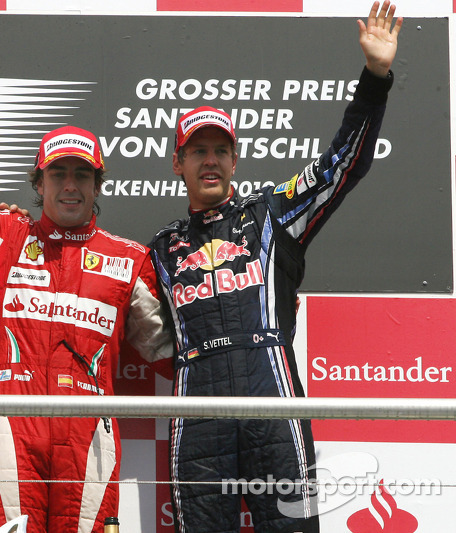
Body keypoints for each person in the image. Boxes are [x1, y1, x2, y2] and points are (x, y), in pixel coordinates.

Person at [0, 19, 174, 533]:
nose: (70, 185)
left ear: (97, 183)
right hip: (12, 429)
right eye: (58, 173)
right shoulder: (3, 237)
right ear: (37, 182)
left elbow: (169, 352)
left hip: (90, 435)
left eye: (81, 174)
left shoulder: (130, 259)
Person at [149, 2, 402, 532]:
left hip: (272, 398)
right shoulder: (159, 247)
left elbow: (341, 167)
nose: (210, 160)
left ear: (236, 160)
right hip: (197, 411)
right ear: (179, 163)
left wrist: (374, 79)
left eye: (221, 150)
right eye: (198, 152)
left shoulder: (272, 213)